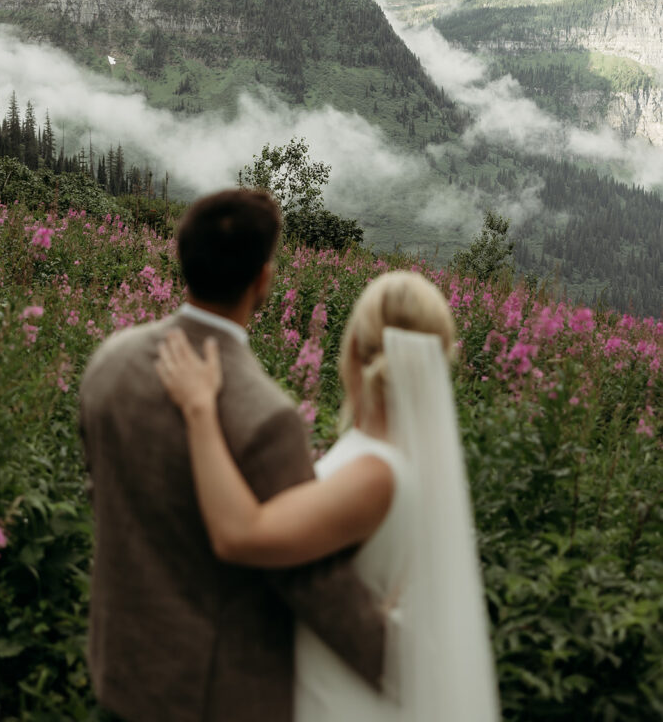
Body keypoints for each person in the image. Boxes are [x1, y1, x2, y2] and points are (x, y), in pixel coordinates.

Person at [79, 188, 387, 722]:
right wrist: (399, 661)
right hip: (213, 696)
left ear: (183, 260)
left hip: (120, 673)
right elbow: (309, 576)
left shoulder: (110, 364)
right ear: (263, 278)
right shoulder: (267, 417)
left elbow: (104, 488)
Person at [156, 270, 501, 722]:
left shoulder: (377, 473)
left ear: (354, 347)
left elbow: (238, 534)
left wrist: (200, 409)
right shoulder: (408, 466)